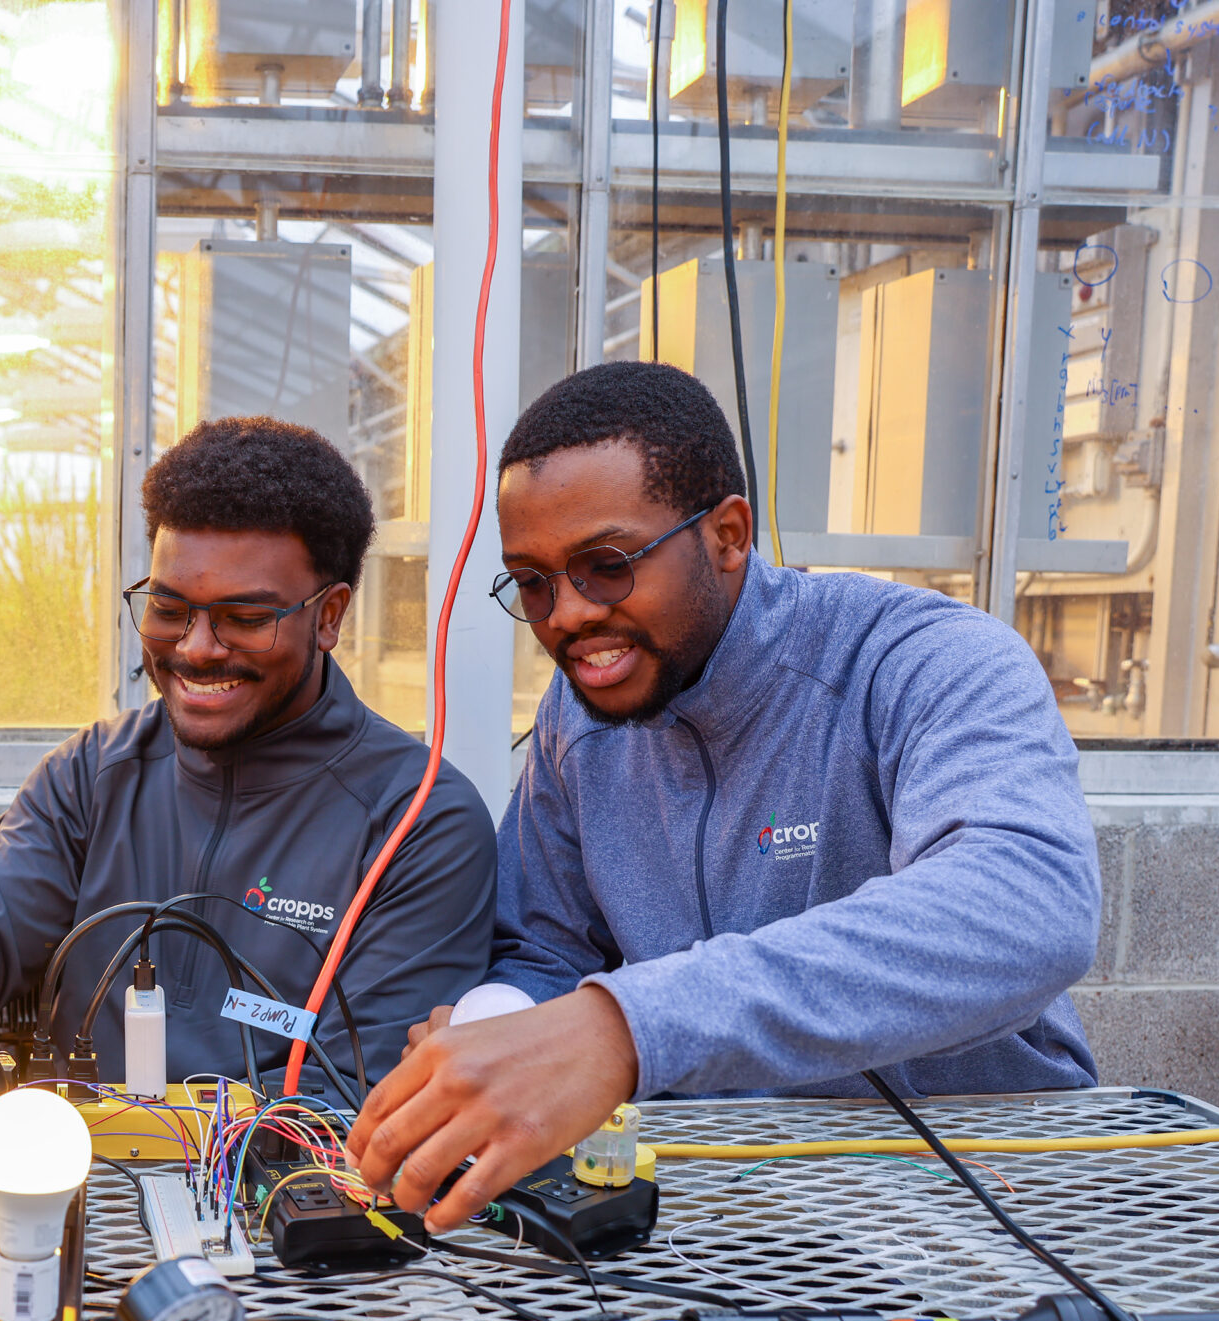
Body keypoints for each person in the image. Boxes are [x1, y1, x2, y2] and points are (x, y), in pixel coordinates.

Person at [348, 361, 1098, 1229]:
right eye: (535, 582)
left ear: (729, 535)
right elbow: (546, 946)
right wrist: (493, 1024)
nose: (565, 616)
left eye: (605, 564)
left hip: (983, 1196)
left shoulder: (920, 662)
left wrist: (624, 1030)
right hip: (732, 1209)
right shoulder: (577, 720)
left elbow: (1026, 907)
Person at [0, 416, 496, 1091]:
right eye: (170, 608)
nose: (196, 648)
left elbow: (360, 1093)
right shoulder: (92, 775)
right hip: (74, 1179)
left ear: (329, 616)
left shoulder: (419, 822)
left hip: (278, 1194)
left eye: (246, 619)